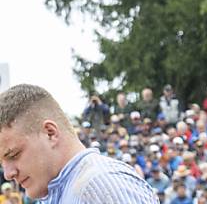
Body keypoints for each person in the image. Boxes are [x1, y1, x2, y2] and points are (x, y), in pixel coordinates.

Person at [0, 84, 157, 203]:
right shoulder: (62, 190)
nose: (8, 174)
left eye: (14, 155)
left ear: (50, 133)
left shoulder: (99, 186)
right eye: (2, 162)